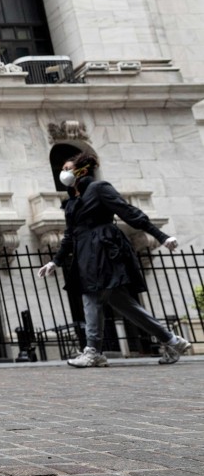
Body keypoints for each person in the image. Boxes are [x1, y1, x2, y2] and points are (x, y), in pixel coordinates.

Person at [38, 152, 189, 367]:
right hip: (85, 253)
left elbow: (128, 211)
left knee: (92, 294)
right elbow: (70, 235)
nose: (64, 173)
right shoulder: (72, 203)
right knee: (124, 304)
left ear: (81, 170)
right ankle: (172, 340)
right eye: (62, 169)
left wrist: (161, 236)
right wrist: (56, 261)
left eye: (68, 168)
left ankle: (93, 352)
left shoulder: (98, 188)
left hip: (104, 249)